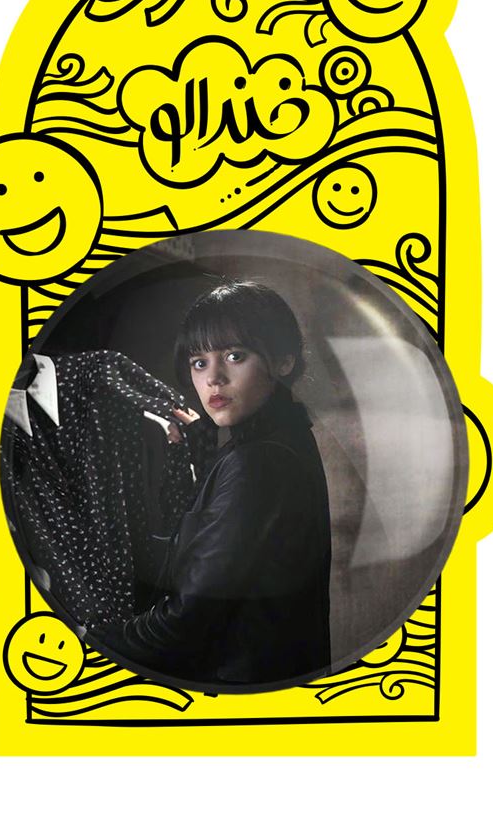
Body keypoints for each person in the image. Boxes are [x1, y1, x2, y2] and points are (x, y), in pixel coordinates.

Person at [95, 280, 332, 688]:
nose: (213, 380)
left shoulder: (258, 460)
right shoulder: (283, 437)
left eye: (235, 356)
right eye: (199, 362)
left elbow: (187, 622)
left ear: (283, 361)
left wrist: (93, 639)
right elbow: (206, 563)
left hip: (239, 694)